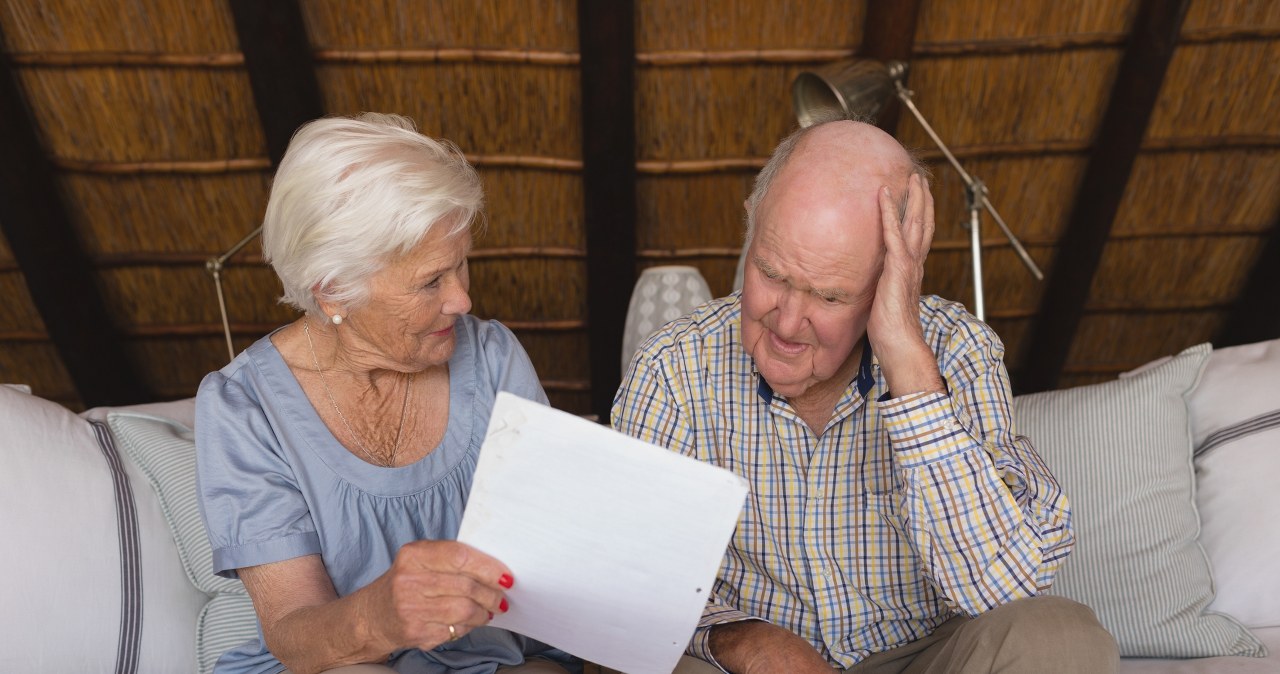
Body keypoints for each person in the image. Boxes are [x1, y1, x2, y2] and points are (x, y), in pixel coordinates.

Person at [612, 117, 1119, 673]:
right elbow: (629, 581)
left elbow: (1000, 589)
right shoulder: (673, 368)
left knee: (1061, 641)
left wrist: (908, 365)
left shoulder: (958, 351)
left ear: (889, 281)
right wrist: (743, 639)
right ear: (750, 231)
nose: (786, 321)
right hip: (753, 666)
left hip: (923, 656)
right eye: (771, 273)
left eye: (829, 296)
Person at [195, 113, 579, 674]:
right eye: (431, 281)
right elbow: (295, 635)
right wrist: (380, 616)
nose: (462, 300)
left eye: (461, 265)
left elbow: (552, 609)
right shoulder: (245, 408)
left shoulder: (494, 358)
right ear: (334, 290)